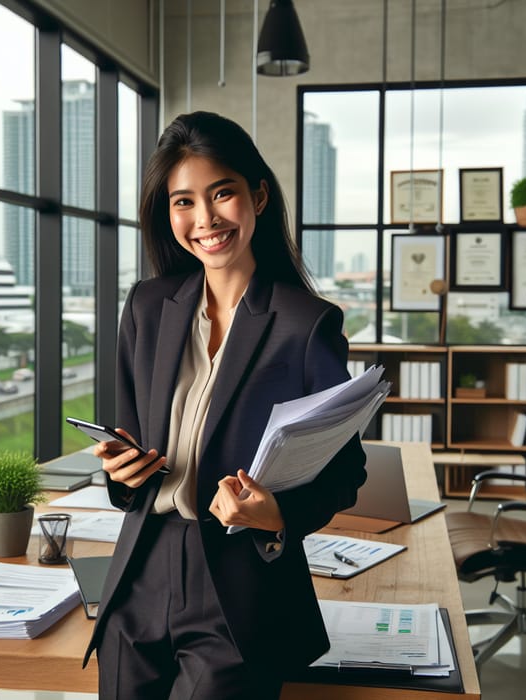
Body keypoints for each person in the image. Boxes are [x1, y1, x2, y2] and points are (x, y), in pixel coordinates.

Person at [84, 110, 367, 700]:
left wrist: (276, 515)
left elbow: (345, 470)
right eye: (183, 202)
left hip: (236, 587)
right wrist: (121, 470)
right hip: (139, 573)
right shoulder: (145, 307)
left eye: (222, 194)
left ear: (257, 195)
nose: (205, 220)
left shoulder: (306, 324)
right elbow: (127, 444)